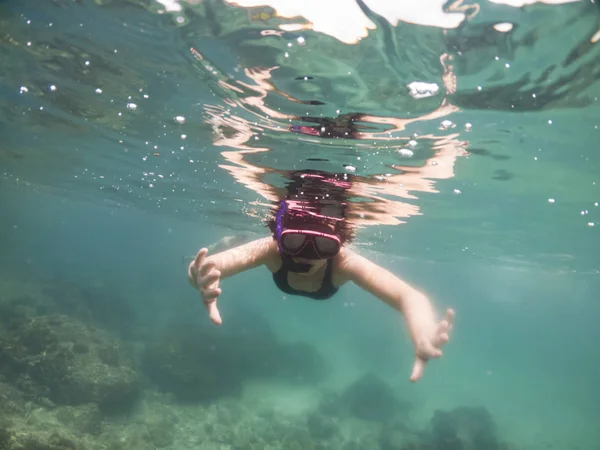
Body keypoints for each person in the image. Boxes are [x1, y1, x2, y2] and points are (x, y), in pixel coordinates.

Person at [188, 171, 454, 383]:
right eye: (293, 241)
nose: (307, 254)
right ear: (280, 239)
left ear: (340, 243)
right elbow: (210, 267)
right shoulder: (272, 250)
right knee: (241, 244)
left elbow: (409, 296)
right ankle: (235, 238)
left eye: (324, 246)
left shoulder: (344, 263)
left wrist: (422, 331)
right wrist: (198, 276)